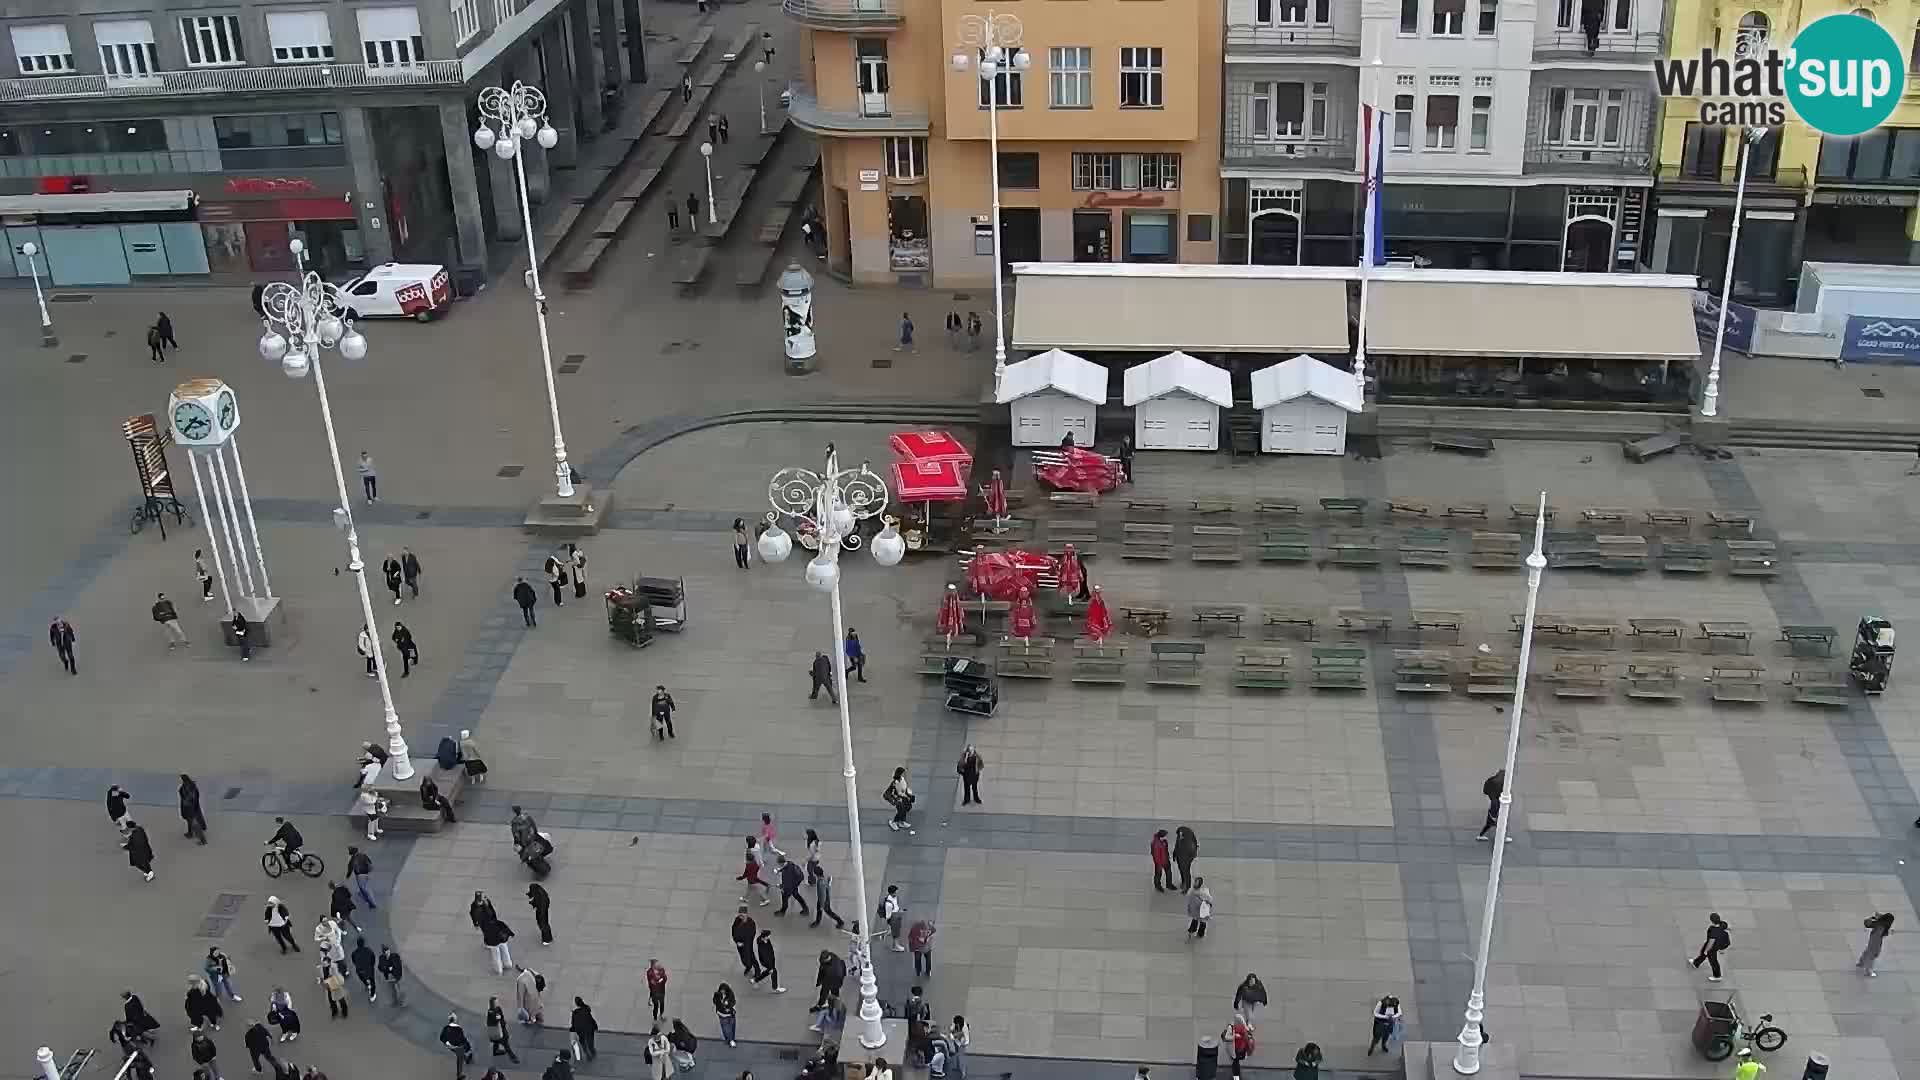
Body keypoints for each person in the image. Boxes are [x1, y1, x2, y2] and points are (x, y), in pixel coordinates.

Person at [807, 856, 845, 930]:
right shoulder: (823, 878)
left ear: (816, 874)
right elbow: (828, 884)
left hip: (824, 901)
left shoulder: (820, 883)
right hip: (823, 899)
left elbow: (822, 895)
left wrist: (822, 905)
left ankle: (840, 921)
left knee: (828, 912)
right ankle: (817, 921)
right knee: (819, 910)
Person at [1691, 912, 1732, 981]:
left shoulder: (1713, 930)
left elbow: (1711, 942)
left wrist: (1706, 950)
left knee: (1713, 960)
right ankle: (1696, 963)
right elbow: (1727, 927)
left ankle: (1717, 976)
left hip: (1713, 947)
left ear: (1711, 920)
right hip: (1718, 943)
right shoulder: (1722, 923)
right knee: (1703, 953)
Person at [1858, 911, 1895, 976]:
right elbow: (1868, 924)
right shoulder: (1881, 924)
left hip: (1875, 938)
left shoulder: (1881, 923)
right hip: (1876, 940)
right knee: (1873, 954)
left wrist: (1876, 917)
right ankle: (1868, 971)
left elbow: (1882, 931)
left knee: (1869, 951)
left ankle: (1861, 962)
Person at [483, 996, 519, 1063]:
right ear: (492, 1003)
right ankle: (513, 1057)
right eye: (495, 1002)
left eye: (497, 1002)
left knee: (498, 1041)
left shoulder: (498, 1008)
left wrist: (502, 1022)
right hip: (496, 1030)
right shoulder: (490, 1012)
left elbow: (501, 1017)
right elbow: (494, 1020)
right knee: (505, 1044)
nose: (497, 1003)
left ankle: (495, 1051)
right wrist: (498, 1018)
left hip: (501, 1028)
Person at [440, 1014, 474, 1079]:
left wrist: (448, 1044)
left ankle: (466, 1059)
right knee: (460, 1060)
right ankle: (459, 1075)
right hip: (458, 1046)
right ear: (455, 1020)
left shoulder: (446, 1028)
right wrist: (468, 1046)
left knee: (460, 1055)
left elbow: (442, 1038)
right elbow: (463, 1039)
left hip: (451, 1047)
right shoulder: (458, 1028)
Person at [1476, 770, 1505, 840]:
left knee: (1493, 823)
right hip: (1495, 803)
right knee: (1499, 823)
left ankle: (1481, 835)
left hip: (1492, 800)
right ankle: (1501, 837)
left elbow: (1485, 790)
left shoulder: (1491, 780)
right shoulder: (1501, 783)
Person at [179, 775, 208, 844]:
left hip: (191, 808)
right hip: (189, 807)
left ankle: (203, 840)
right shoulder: (187, 786)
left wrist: (187, 801)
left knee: (194, 824)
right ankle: (190, 833)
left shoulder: (190, 787)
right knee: (190, 821)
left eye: (182, 779)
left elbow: (193, 797)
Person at [732, 907, 761, 976]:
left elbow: (751, 936)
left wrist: (744, 943)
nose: (741, 916)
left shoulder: (751, 923)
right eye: (740, 914)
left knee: (751, 957)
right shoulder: (737, 920)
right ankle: (748, 966)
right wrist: (736, 941)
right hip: (739, 945)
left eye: (742, 915)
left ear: (746, 914)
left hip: (747, 945)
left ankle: (757, 971)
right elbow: (733, 930)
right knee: (743, 958)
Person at [884, 767, 915, 831]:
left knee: (906, 808)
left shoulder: (903, 780)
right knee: (901, 809)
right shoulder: (895, 783)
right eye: (903, 773)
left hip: (904, 797)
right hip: (898, 798)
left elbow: (905, 789)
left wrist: (909, 795)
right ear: (899, 774)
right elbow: (888, 793)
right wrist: (894, 800)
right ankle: (893, 822)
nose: (904, 774)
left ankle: (902, 821)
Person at [1173, 825, 1199, 892]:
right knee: (1181, 870)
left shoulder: (1190, 843)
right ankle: (1183, 881)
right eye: (1179, 834)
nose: (1180, 835)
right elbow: (1176, 845)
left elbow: (1193, 852)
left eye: (1181, 834)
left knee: (1186, 872)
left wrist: (1189, 860)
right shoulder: (1180, 837)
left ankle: (1187, 886)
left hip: (1186, 859)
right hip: (1180, 858)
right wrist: (1174, 854)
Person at [881, 885, 906, 951]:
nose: (896, 893)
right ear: (892, 893)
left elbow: (895, 905)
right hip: (893, 917)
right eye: (895, 892)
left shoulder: (894, 897)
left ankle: (889, 937)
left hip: (897, 914)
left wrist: (899, 910)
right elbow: (888, 916)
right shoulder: (888, 904)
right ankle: (895, 946)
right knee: (896, 934)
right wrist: (889, 925)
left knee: (896, 932)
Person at [712, 982, 737, 1046]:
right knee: (725, 1028)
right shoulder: (717, 994)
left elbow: (733, 1002)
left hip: (731, 1014)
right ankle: (730, 1040)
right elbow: (715, 1002)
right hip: (722, 1015)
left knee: (732, 1027)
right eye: (721, 990)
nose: (723, 991)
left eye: (724, 990)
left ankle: (731, 1039)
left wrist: (728, 1006)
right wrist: (722, 1005)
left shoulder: (730, 994)